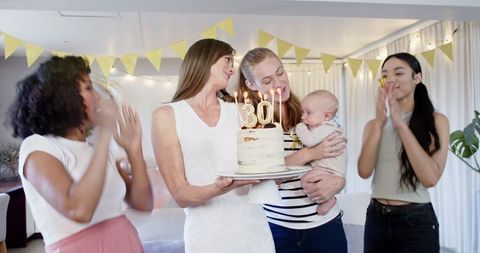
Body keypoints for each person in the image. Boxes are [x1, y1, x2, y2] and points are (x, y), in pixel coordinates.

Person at [7, 56, 153, 253]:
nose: (98, 98)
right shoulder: (38, 146)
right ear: (63, 97)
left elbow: (143, 204)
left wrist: (133, 149)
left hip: (126, 242)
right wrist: (105, 133)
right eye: (89, 88)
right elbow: (79, 209)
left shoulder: (96, 150)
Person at [151, 39, 275, 253]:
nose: (232, 68)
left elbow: (257, 168)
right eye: (227, 60)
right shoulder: (167, 116)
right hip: (207, 238)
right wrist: (221, 187)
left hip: (254, 232)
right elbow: (181, 195)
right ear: (205, 61)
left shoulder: (240, 111)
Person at [237, 47, 347, 253]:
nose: (280, 83)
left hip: (324, 225)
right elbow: (258, 178)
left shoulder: (311, 113)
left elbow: (336, 155)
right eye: (268, 80)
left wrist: (340, 181)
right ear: (251, 85)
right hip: (278, 229)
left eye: (280, 72)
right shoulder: (252, 125)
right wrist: (310, 154)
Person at [357, 52, 449, 252]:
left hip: (415, 221)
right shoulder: (373, 125)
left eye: (399, 73)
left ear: (417, 77)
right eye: (385, 75)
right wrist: (380, 123)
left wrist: (400, 125)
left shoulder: (436, 121)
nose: (391, 79)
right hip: (376, 218)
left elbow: (430, 178)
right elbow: (364, 171)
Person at [295, 90, 347, 215]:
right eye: (303, 112)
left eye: (309, 113)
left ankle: (328, 201)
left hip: (329, 170)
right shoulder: (328, 127)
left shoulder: (327, 128)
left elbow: (309, 140)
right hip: (328, 168)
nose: (303, 117)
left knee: (305, 180)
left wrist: (300, 127)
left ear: (327, 116)